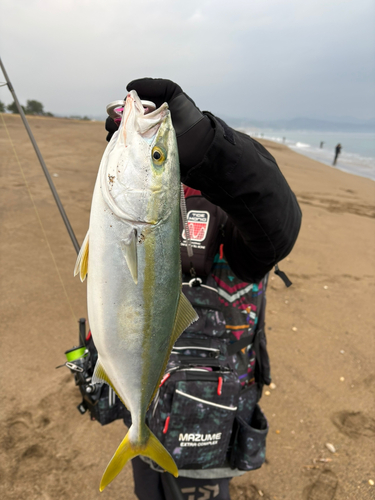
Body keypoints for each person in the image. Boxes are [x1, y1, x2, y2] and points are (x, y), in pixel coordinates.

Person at [105, 78, 302, 500]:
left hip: (206, 423)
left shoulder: (239, 220)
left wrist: (211, 146)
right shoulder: (143, 202)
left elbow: (277, 217)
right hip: (142, 407)